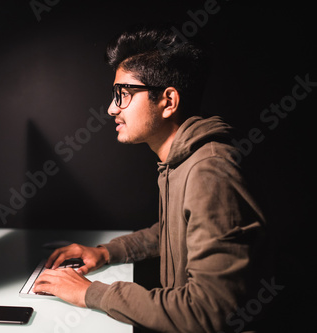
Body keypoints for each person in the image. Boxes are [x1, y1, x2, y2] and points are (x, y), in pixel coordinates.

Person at [33, 26, 268, 332]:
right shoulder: (182, 161)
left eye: (124, 94)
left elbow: (208, 309)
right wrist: (106, 252)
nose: (111, 108)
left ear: (168, 101)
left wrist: (90, 293)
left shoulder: (210, 171)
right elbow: (173, 231)